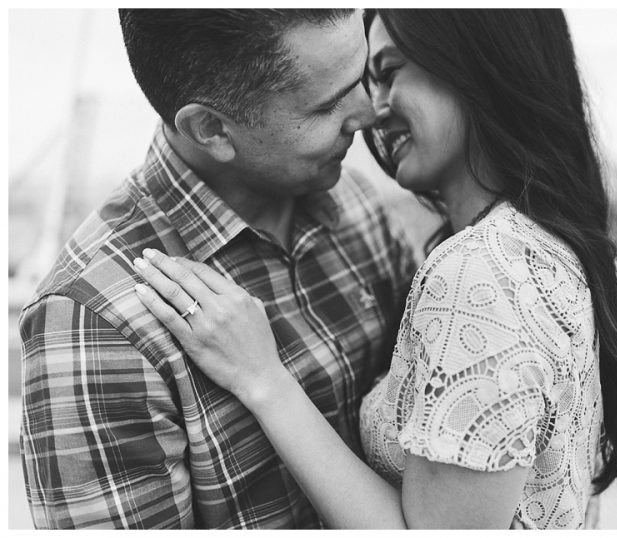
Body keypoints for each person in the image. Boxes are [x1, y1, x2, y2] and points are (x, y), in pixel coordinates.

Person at [133, 8, 617, 530]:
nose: (372, 109)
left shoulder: (479, 271)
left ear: (474, 64)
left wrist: (264, 381)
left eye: (387, 73)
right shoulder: (537, 241)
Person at [18, 9, 419, 529]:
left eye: (361, 76)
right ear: (211, 129)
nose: (369, 112)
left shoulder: (355, 201)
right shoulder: (95, 321)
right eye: (327, 105)